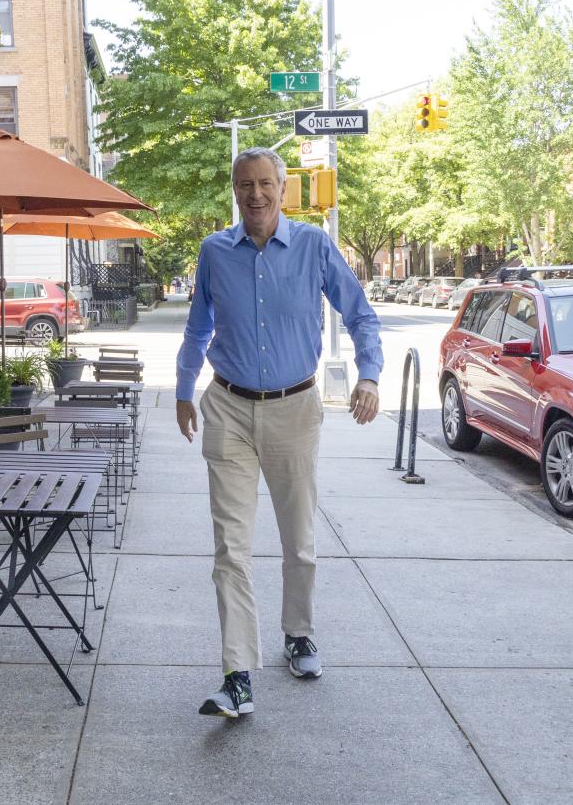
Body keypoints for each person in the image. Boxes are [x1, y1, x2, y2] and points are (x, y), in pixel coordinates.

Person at [176, 147, 382, 719]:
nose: (256, 195)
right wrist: (181, 390)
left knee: (299, 539)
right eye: (246, 185)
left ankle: (298, 634)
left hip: (295, 408)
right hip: (228, 409)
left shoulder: (314, 246)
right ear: (235, 190)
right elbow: (198, 328)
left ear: (284, 188)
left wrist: (369, 375)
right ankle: (237, 675)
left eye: (266, 184)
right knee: (230, 549)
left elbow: (360, 313)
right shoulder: (214, 251)